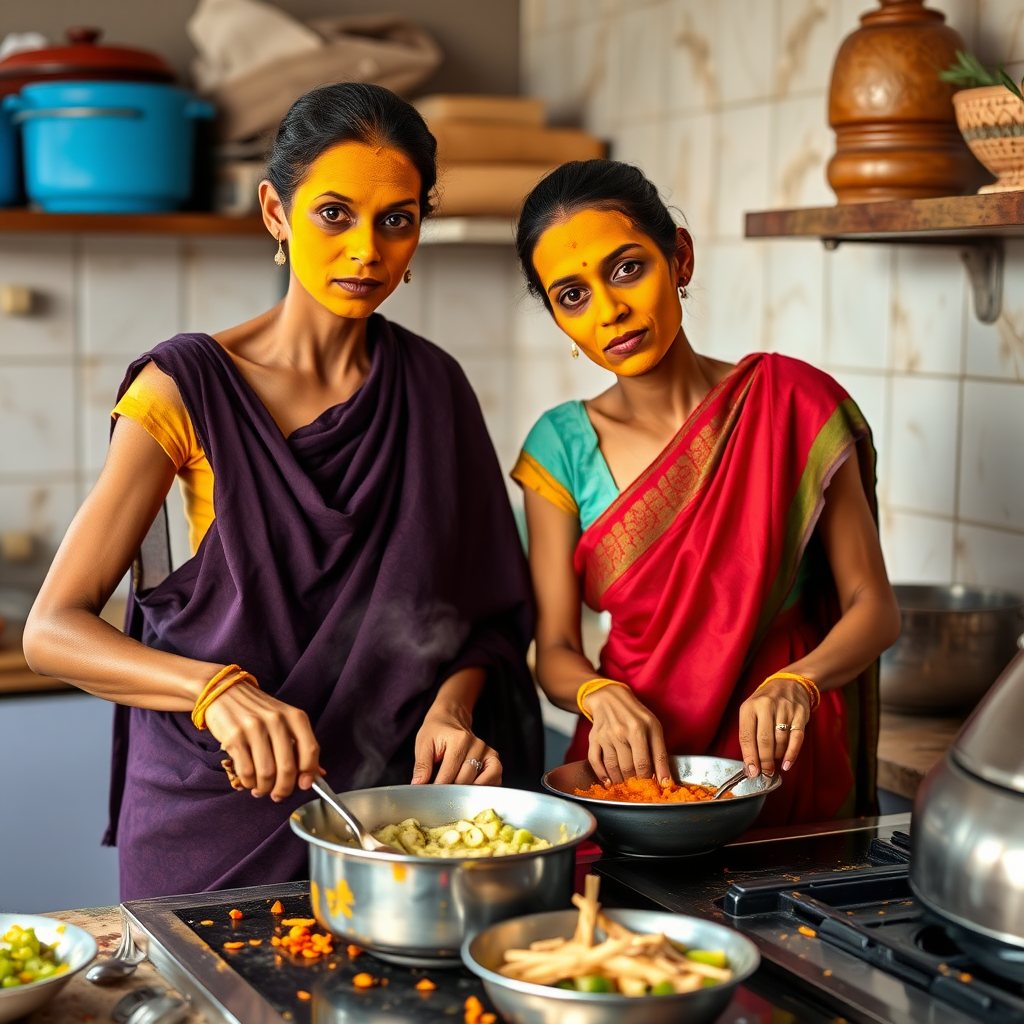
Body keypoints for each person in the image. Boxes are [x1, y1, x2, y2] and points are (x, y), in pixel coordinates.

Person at [23, 83, 542, 900]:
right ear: (276, 211)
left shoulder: (437, 387)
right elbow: (51, 631)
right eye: (334, 213)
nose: (366, 250)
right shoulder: (181, 388)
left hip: (390, 823)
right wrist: (214, 690)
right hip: (214, 815)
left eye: (396, 219)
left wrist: (454, 708)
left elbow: (486, 621)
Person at [511, 160, 900, 826]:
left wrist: (799, 682)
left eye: (627, 269)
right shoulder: (559, 447)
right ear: (556, 316)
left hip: (778, 764)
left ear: (679, 259)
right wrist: (599, 695)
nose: (609, 311)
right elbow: (554, 649)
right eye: (572, 295)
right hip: (630, 777)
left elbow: (875, 607)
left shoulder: (790, 405)